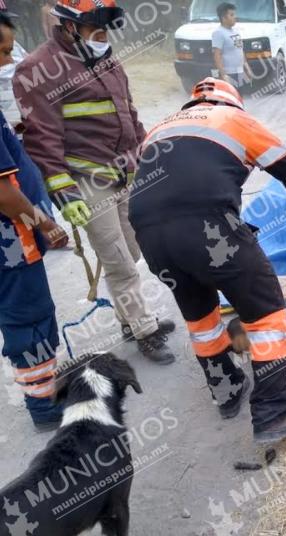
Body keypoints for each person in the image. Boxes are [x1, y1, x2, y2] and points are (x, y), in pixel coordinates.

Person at [129, 78, 286, 444]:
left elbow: (171, 191)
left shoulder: (161, 128)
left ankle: (225, 392)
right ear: (234, 103)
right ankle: (272, 413)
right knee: (267, 312)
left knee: (201, 319)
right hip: (206, 225)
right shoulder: (233, 120)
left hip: (150, 237)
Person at [13, 0, 176, 364]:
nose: (104, 39)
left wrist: (148, 156)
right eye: (96, 31)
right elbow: (42, 139)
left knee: (134, 249)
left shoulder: (106, 59)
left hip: (125, 173)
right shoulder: (37, 69)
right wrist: (64, 192)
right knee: (118, 260)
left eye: (106, 31)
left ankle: (128, 319)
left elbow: (129, 115)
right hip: (87, 180)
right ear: (70, 27)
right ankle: (144, 329)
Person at [0, 13, 70, 432]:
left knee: (23, 315)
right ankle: (44, 406)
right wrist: (45, 223)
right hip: (12, 243)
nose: (7, 61)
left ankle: (42, 394)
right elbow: (5, 194)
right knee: (30, 318)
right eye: (2, 51)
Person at [212, 2, 247, 93]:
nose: (235, 17)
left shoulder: (235, 32)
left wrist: (246, 68)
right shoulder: (219, 33)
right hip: (229, 73)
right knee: (230, 101)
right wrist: (224, 75)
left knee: (240, 99)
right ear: (223, 18)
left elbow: (240, 50)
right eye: (231, 15)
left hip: (240, 72)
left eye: (234, 14)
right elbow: (217, 55)